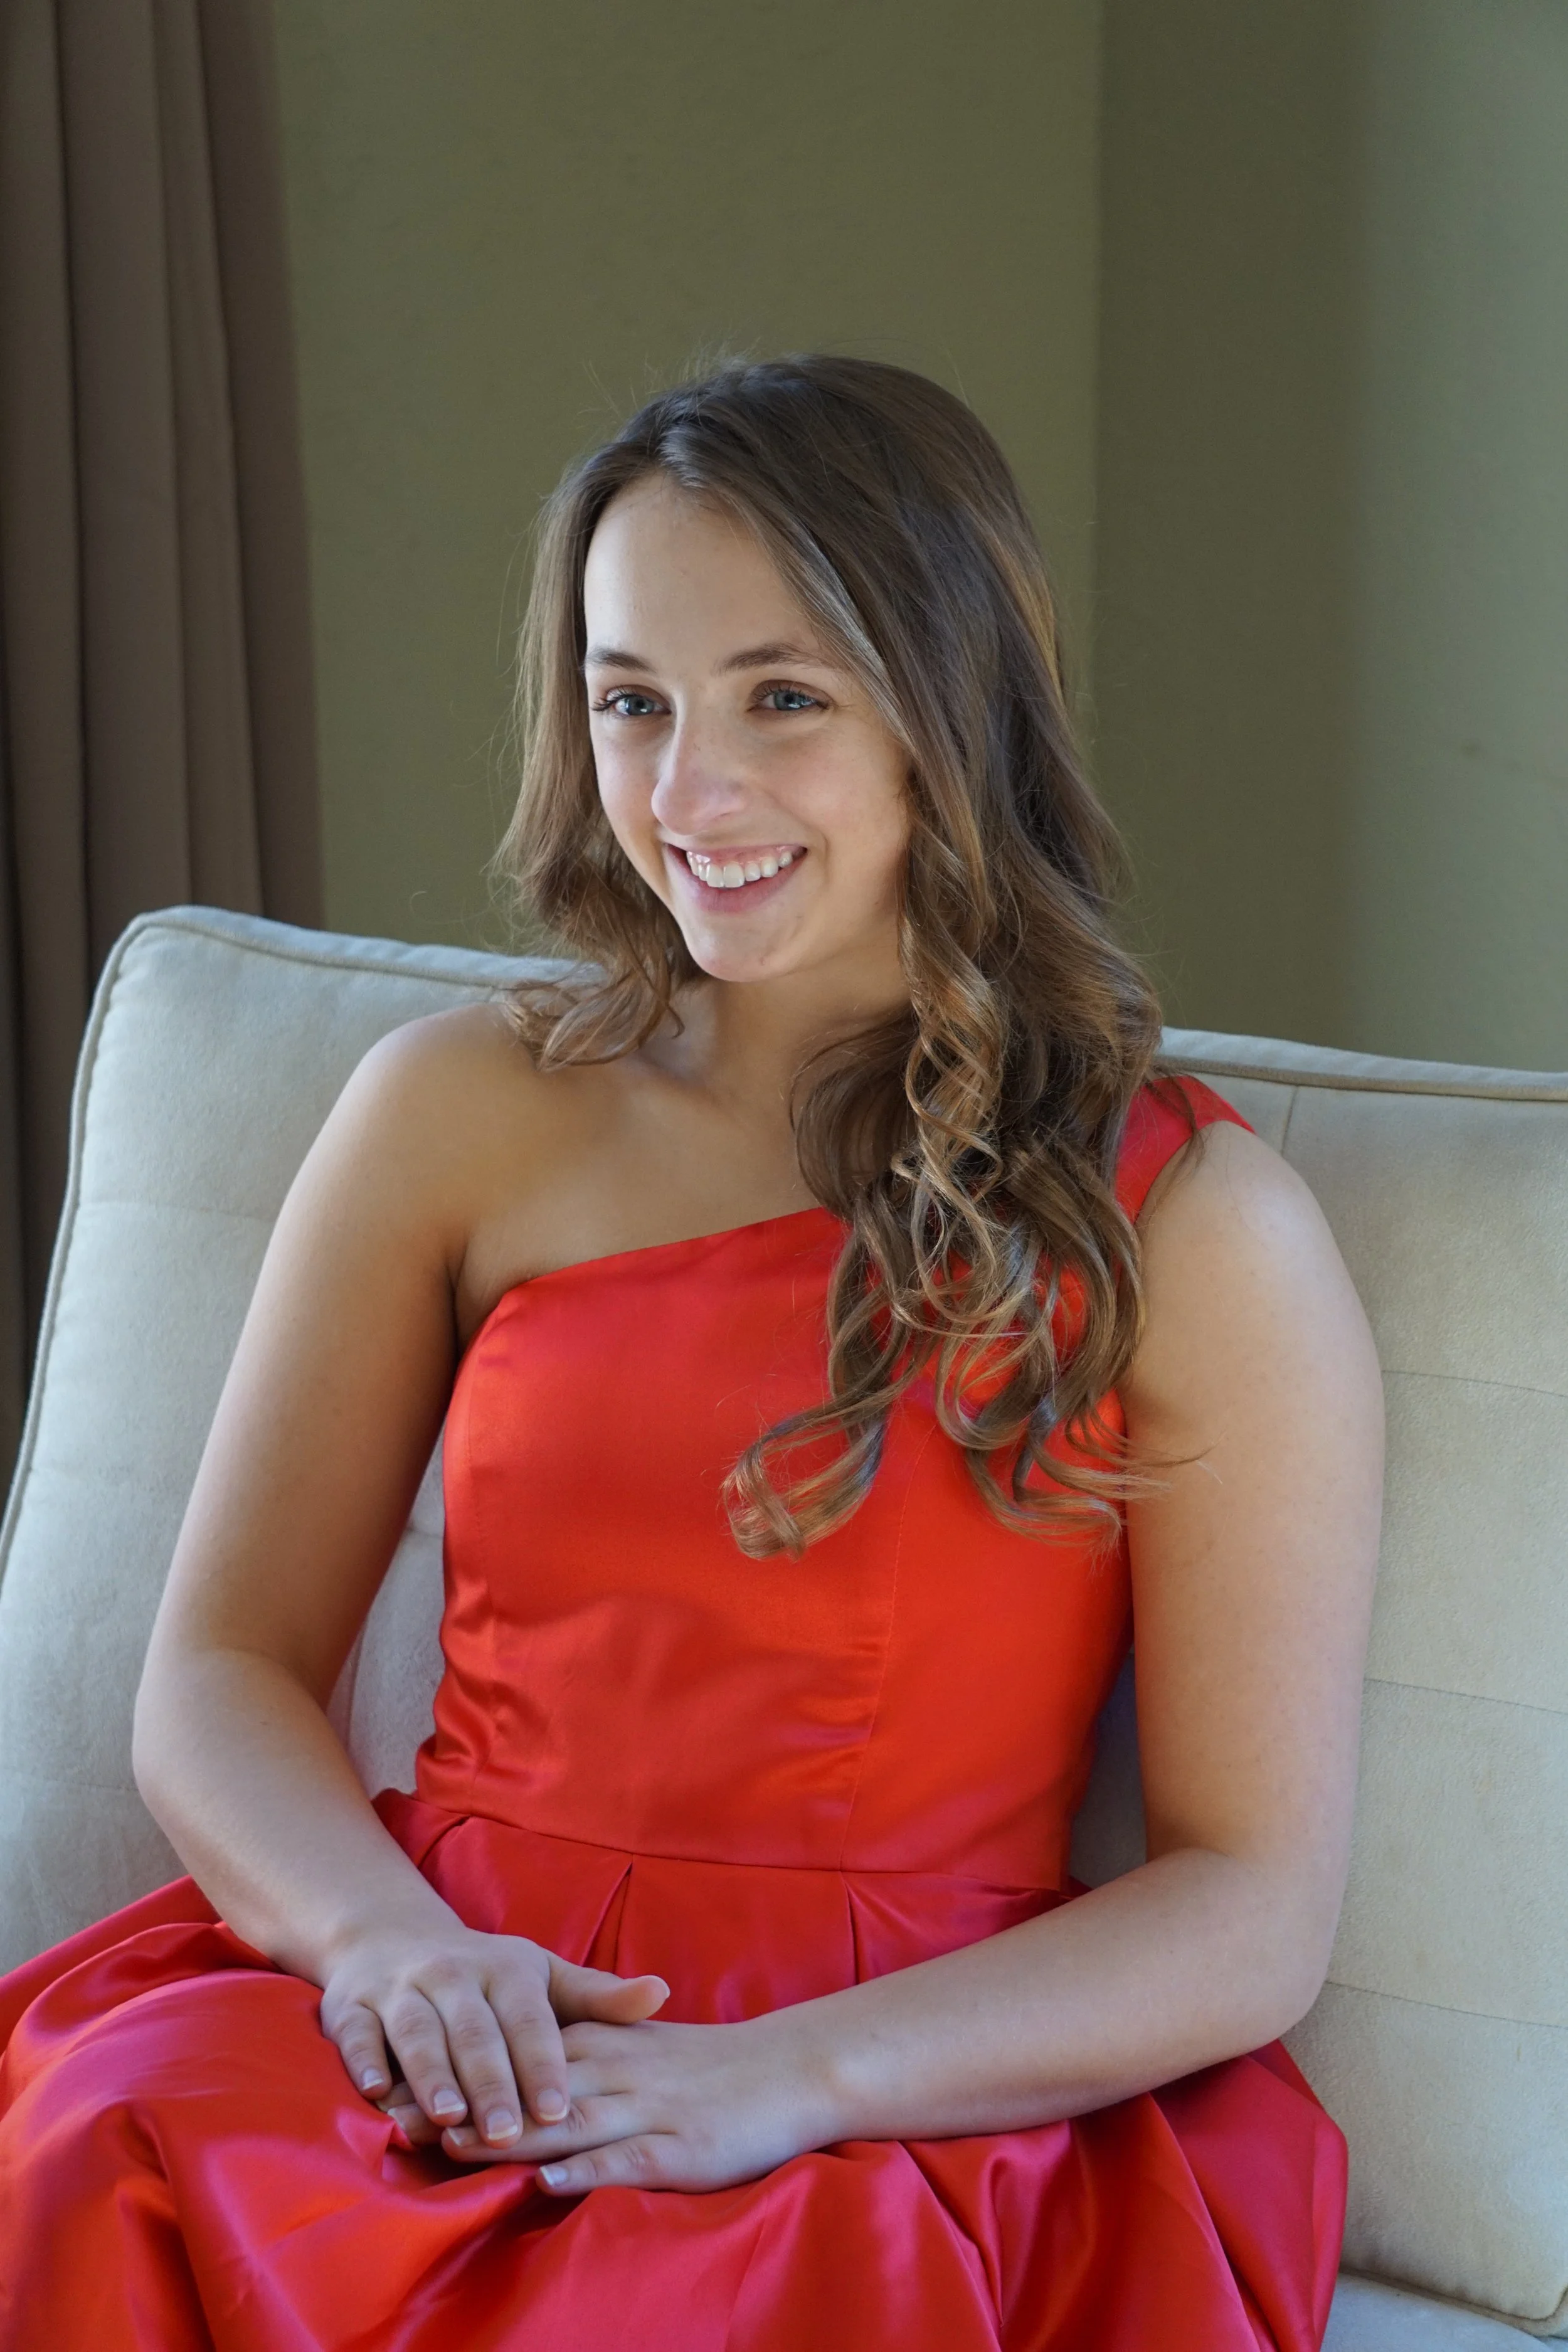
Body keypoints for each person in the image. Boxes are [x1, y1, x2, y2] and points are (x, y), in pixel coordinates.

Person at [0, 356, 1382, 2350]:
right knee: (96, 2150)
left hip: (883, 2080)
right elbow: (216, 1672)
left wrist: (778, 2079)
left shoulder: (1189, 1225)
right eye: (630, 697)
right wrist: (388, 1944)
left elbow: (1251, 1897)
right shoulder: (454, 1107)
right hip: (435, 1998)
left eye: (783, 699)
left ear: (949, 715)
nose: (685, 791)